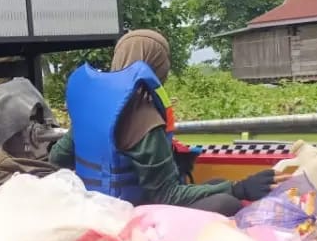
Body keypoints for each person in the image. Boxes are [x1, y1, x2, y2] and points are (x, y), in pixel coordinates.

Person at [50, 29, 274, 214]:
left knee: (215, 185)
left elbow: (57, 157)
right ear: (158, 67)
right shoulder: (145, 118)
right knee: (227, 202)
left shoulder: (94, 109)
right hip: (131, 213)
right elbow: (166, 195)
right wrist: (239, 189)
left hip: (93, 206)